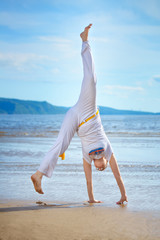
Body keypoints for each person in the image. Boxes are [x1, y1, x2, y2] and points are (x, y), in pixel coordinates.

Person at [31, 24, 128, 205]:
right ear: (106, 161)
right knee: (91, 79)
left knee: (60, 145)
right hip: (88, 110)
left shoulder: (86, 156)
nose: (100, 169)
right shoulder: (108, 150)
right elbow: (118, 174)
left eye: (98, 169)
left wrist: (91, 199)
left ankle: (38, 175)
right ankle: (85, 41)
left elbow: (88, 180)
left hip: (75, 118)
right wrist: (124, 195)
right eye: (103, 168)